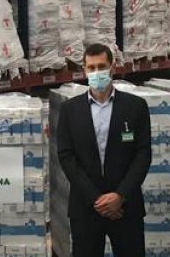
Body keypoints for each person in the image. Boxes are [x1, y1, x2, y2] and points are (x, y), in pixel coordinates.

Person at [56, 43, 151, 257]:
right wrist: (96, 200)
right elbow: (66, 157)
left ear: (112, 68)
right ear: (84, 70)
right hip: (86, 208)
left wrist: (120, 195)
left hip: (126, 208)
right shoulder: (70, 110)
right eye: (91, 68)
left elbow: (142, 155)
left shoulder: (135, 107)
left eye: (101, 66)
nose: (96, 72)